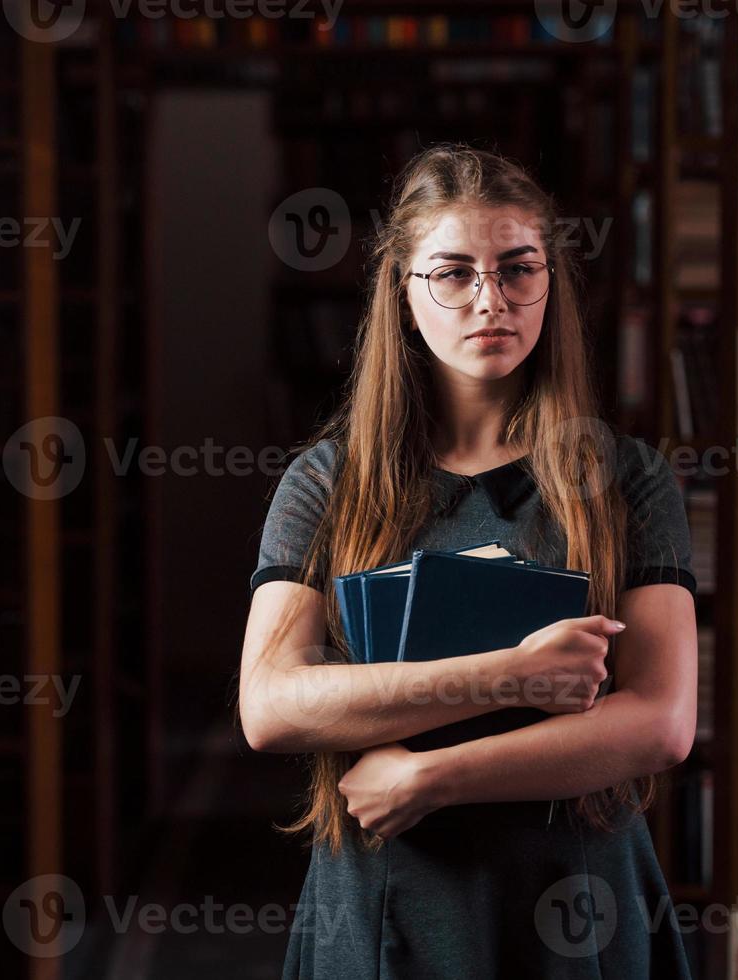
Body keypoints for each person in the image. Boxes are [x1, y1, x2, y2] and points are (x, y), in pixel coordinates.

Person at [239, 144, 698, 978]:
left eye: (519, 269)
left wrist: (436, 777)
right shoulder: (328, 481)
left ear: (550, 281)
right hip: (387, 897)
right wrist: (512, 679)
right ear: (404, 294)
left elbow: (662, 723)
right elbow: (271, 705)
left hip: (574, 895)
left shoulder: (629, 477)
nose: (492, 300)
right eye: (453, 273)